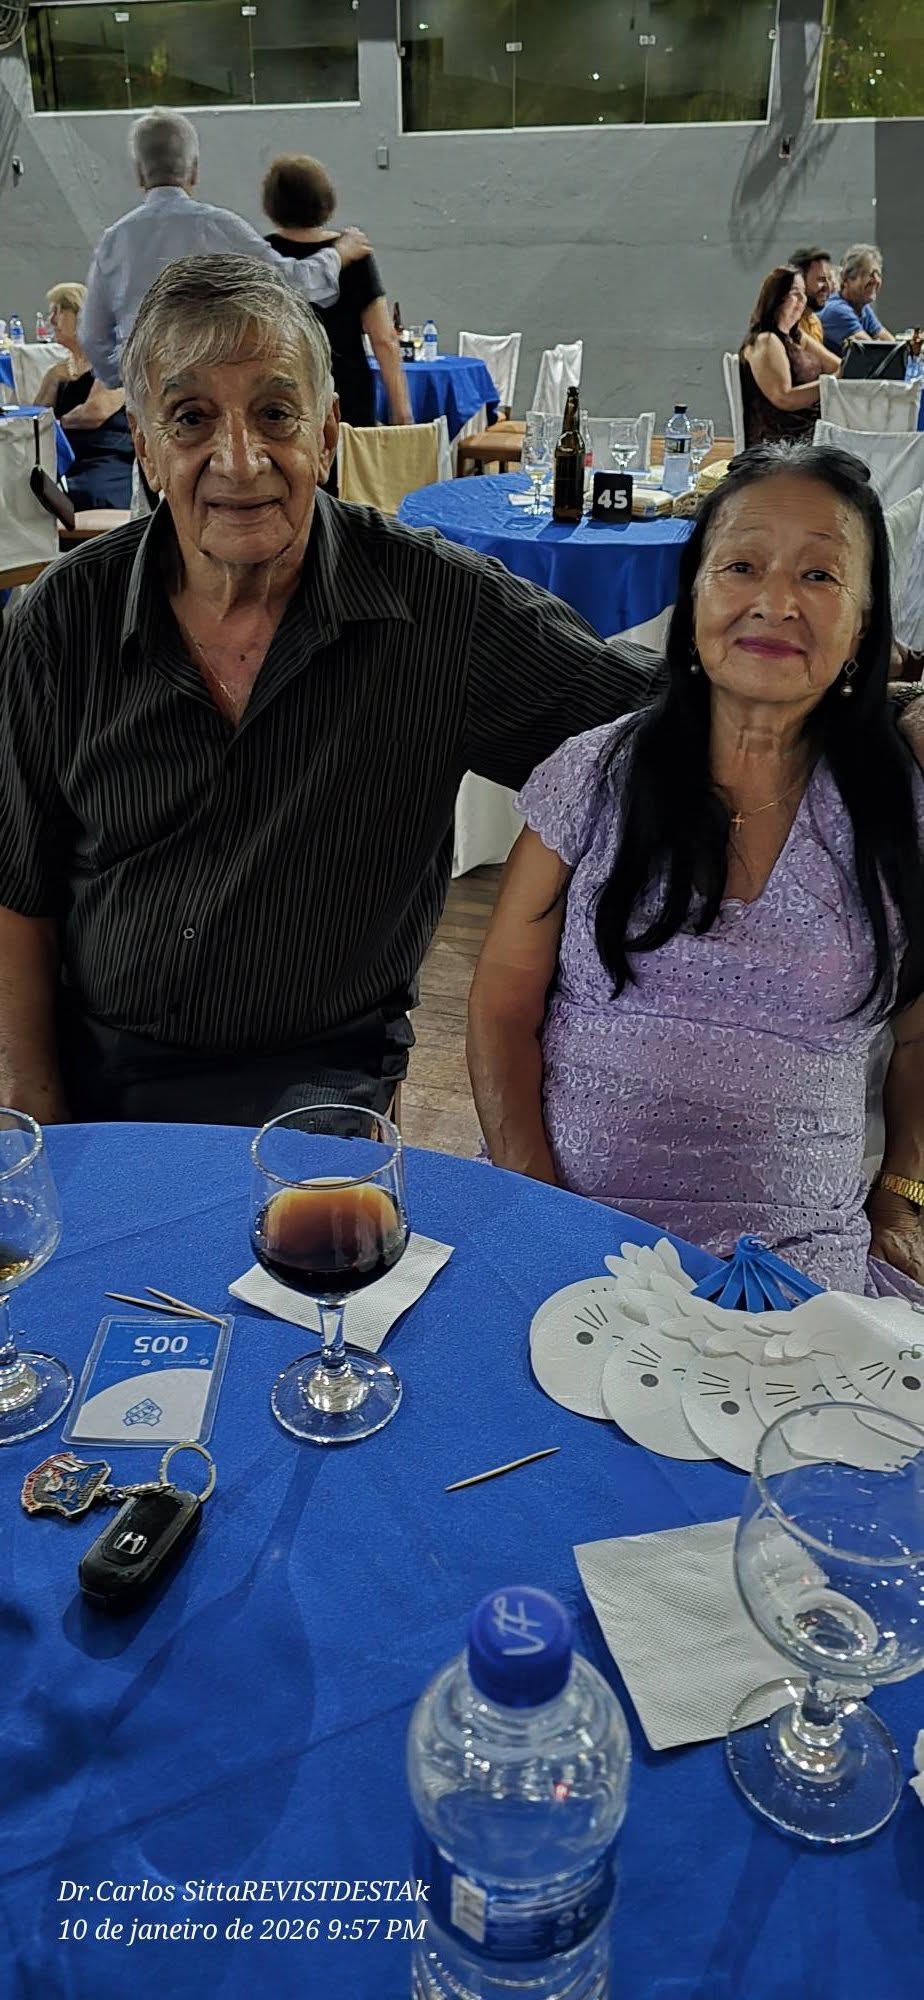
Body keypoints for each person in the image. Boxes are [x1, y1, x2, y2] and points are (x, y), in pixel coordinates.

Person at [0, 253, 658, 1129]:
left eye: (276, 414)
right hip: (95, 1059)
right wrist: (32, 1110)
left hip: (320, 1074)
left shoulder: (437, 610)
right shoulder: (63, 620)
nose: (240, 461)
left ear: (326, 433)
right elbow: (18, 889)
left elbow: (667, 728)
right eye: (191, 419)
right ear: (148, 451)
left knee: (304, 1215)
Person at [468, 442, 924, 1296]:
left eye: (820, 576)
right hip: (573, 1225)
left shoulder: (904, 809)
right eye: (741, 566)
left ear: (864, 628)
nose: (775, 602)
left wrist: (903, 1195)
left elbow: (920, 1036)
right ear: (695, 599)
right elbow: (502, 1001)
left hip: (797, 1262)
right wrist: (535, 1203)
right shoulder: (595, 774)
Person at [78, 109, 372, 389]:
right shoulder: (219, 227)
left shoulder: (113, 241)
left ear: (139, 173)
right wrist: (338, 254)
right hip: (213, 394)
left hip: (146, 400)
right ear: (194, 170)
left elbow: (92, 337)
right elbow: (291, 284)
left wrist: (130, 374)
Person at [262, 154, 412, 433]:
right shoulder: (353, 253)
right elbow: (384, 338)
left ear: (272, 203)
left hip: (283, 389)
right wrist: (402, 413)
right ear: (325, 199)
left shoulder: (265, 255)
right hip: (347, 389)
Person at [33, 282, 134, 510]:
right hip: (64, 460)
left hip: (104, 457)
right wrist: (52, 381)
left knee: (83, 496)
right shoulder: (58, 371)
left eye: (59, 311)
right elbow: (37, 419)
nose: (51, 320)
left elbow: (95, 413)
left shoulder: (112, 362)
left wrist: (57, 425)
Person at [739, 265, 840, 448]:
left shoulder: (797, 337)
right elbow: (783, 398)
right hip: (782, 441)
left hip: (811, 431)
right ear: (776, 298)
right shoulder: (766, 340)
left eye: (803, 293)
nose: (802, 299)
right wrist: (830, 384)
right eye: (795, 293)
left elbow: (838, 367)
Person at [820, 244, 893, 357]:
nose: (876, 280)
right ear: (846, 279)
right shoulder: (837, 310)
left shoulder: (862, 307)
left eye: (878, 274)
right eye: (869, 274)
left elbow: (892, 345)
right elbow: (873, 354)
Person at [788, 246, 836, 345]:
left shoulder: (815, 322)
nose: (828, 287)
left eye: (829, 279)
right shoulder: (787, 323)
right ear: (799, 280)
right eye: (821, 279)